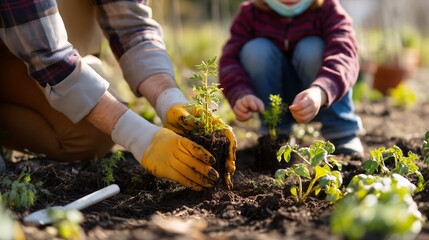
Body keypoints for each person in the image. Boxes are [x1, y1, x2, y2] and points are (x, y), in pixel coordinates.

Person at [0, 0, 236, 190]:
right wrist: (138, 135)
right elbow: (49, 56)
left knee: (90, 132)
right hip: (25, 47)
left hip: (33, 52)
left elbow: (133, 26)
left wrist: (170, 100)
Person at [219, 0, 364, 155]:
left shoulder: (327, 9)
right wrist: (241, 93)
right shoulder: (251, 13)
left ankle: (342, 132)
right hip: (272, 94)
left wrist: (321, 91)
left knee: (312, 49)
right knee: (256, 51)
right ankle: (275, 134)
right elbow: (229, 61)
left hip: (317, 94)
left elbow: (344, 55)